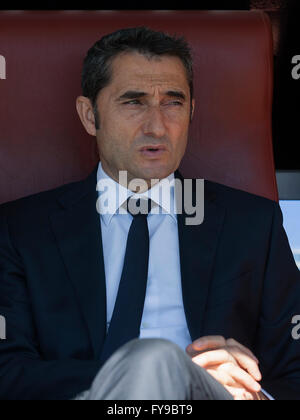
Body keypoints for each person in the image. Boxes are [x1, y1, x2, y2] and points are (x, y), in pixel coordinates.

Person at [0, 26, 300, 401]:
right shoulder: (21, 230)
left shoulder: (253, 225)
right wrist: (158, 374)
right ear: (90, 115)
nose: (157, 126)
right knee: (153, 357)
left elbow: (295, 367)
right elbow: (6, 369)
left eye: (173, 102)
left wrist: (254, 395)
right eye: (134, 102)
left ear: (191, 112)